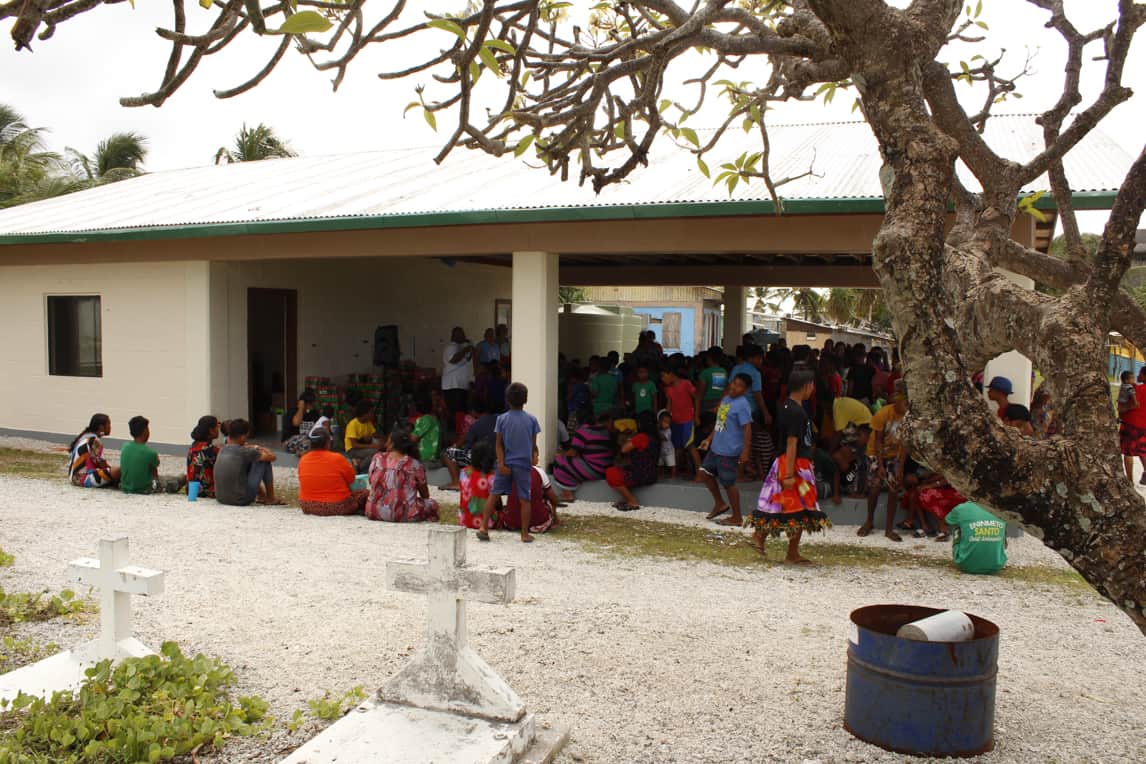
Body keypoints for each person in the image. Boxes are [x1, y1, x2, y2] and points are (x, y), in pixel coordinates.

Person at [753, 367, 830, 563]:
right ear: (806, 386)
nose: (813, 389)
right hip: (794, 464)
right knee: (796, 506)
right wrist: (789, 474)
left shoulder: (787, 406)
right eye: (812, 385)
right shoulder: (796, 411)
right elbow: (792, 442)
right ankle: (787, 550)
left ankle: (769, 543)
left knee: (779, 504)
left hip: (789, 462)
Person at [478, 382, 542, 543]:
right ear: (525, 400)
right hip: (523, 465)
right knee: (524, 499)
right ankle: (524, 534)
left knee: (494, 494)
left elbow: (499, 444)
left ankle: (483, 527)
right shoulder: (532, 420)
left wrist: (500, 463)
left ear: (507, 400)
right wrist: (534, 456)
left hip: (505, 463)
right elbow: (533, 444)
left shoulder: (502, 419)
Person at [699, 373, 753, 527]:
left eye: (739, 385)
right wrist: (709, 439)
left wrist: (745, 451)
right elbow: (719, 423)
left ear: (745, 390)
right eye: (734, 383)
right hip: (716, 447)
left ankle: (737, 517)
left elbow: (747, 429)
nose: (734, 387)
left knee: (728, 483)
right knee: (704, 473)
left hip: (730, 451)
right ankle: (720, 503)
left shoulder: (743, 405)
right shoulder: (726, 399)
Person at [862, 380, 909, 541]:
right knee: (874, 487)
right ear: (897, 401)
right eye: (904, 403)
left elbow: (905, 444)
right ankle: (869, 521)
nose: (906, 406)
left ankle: (889, 529)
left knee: (894, 489)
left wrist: (900, 467)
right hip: (876, 453)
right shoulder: (882, 414)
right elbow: (878, 441)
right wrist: (880, 465)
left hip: (895, 454)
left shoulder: (908, 418)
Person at [365, 429, 440, 522]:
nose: (385, 444)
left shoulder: (377, 458)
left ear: (392, 444)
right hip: (403, 515)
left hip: (373, 512)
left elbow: (370, 480)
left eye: (388, 441)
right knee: (432, 504)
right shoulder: (414, 464)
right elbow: (425, 495)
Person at [298, 429, 368, 515]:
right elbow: (351, 479)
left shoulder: (303, 459)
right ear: (328, 442)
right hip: (336, 505)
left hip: (307, 506)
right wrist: (354, 467)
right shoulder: (337, 458)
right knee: (365, 493)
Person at [215, 419, 283, 506]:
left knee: (249, 463)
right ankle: (271, 498)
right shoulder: (246, 452)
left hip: (221, 498)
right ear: (243, 437)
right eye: (247, 436)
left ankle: (262, 496)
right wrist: (260, 447)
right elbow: (272, 457)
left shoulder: (222, 449)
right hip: (240, 500)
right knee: (264, 462)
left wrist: (251, 447)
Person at [553, 412, 616, 500]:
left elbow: (572, 453)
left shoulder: (585, 430)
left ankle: (568, 494)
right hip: (605, 471)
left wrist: (560, 455)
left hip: (594, 470)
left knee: (559, 462)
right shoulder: (607, 433)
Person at [606, 411, 660, 511]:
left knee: (611, 473)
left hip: (640, 474)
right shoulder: (656, 438)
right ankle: (628, 499)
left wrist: (629, 440)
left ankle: (632, 501)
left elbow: (624, 449)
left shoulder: (642, 437)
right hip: (652, 473)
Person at [120, 416, 186, 495]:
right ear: (145, 431)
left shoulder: (125, 446)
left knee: (166, 477)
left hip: (125, 486)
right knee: (181, 478)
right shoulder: (150, 453)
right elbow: (155, 475)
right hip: (145, 489)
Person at [442, 400, 498, 490]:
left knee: (448, 452)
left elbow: (467, 448)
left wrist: (457, 446)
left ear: (473, 411)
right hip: (500, 458)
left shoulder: (476, 425)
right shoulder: (500, 419)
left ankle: (456, 482)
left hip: (485, 460)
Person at [945, 501, 1007, 574]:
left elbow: (947, 522)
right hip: (997, 565)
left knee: (957, 527)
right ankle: (995, 556)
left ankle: (965, 555)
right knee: (1002, 529)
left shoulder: (961, 508)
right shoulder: (1002, 509)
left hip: (965, 565)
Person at [661, 365, 698, 477]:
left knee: (690, 447)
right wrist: (665, 419)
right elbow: (669, 404)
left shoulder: (686, 384)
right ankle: (675, 472)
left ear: (671, 374)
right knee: (676, 448)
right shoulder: (667, 389)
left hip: (687, 420)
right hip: (675, 421)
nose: (662, 379)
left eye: (663, 376)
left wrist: (696, 415)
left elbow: (696, 397)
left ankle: (699, 473)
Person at [67, 413, 119, 488]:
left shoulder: (85, 437)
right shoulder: (94, 440)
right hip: (82, 478)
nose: (110, 427)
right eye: (109, 424)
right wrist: (113, 472)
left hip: (74, 477)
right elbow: (101, 463)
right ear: (101, 427)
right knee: (117, 471)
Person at [458, 441, 496, 529]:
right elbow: (496, 502)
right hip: (487, 522)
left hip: (464, 520)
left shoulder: (464, 472)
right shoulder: (492, 478)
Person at [442, 326, 474, 425]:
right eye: (462, 333)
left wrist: (470, 348)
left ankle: (459, 431)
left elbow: (466, 360)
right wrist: (466, 349)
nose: (464, 336)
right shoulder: (451, 347)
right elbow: (454, 359)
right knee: (455, 411)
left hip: (460, 385)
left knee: (461, 411)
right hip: (453, 385)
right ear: (455, 335)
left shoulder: (460, 347)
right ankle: (453, 432)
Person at [1119, 367, 1146, 483]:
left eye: (1140, 374)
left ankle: (1130, 481)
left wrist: (1121, 410)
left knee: (1128, 452)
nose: (1137, 376)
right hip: (1144, 424)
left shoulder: (1138, 389)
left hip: (1132, 423)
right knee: (1142, 450)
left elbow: (1134, 405)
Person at [730, 345, 768, 422]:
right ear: (750, 358)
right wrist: (765, 413)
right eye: (759, 358)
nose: (761, 361)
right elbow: (757, 395)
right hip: (750, 410)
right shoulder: (755, 373)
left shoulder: (736, 368)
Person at [187, 415, 221, 498]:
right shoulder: (212, 450)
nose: (218, 429)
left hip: (191, 490)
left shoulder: (193, 446)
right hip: (208, 491)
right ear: (211, 430)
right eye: (217, 426)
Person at [343, 400, 378, 473]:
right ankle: (359, 468)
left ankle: (358, 461)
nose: (373, 414)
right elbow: (354, 445)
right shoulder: (353, 424)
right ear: (365, 414)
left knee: (377, 448)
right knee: (375, 452)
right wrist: (373, 446)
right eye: (371, 412)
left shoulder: (368, 423)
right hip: (352, 450)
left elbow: (375, 435)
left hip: (362, 448)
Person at [283, 390, 319, 455]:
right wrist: (301, 408)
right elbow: (296, 423)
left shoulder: (314, 413)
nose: (312, 406)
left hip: (307, 440)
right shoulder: (292, 412)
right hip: (291, 440)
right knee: (307, 443)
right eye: (310, 404)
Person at [696, 351, 728, 416]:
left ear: (709, 359)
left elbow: (700, 394)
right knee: (720, 425)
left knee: (706, 424)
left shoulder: (705, 373)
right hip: (722, 403)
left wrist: (696, 414)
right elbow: (721, 389)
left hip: (707, 404)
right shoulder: (723, 371)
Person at [657, 409, 676, 477]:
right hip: (660, 450)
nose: (667, 424)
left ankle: (673, 475)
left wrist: (657, 432)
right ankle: (660, 475)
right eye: (665, 422)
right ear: (659, 421)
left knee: (672, 464)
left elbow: (664, 438)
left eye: (668, 423)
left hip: (669, 450)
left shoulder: (668, 430)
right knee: (660, 464)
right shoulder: (658, 429)